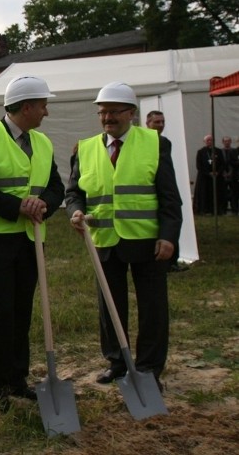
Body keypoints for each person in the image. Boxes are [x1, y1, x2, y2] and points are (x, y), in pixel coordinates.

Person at [66, 81, 182, 391]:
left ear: (131, 113)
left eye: (114, 112)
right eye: (102, 112)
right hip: (104, 241)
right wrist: (75, 212)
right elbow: (74, 192)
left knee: (153, 306)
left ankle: (148, 368)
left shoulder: (156, 144)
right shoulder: (85, 148)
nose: (107, 118)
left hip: (147, 241)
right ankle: (117, 361)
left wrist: (169, 236)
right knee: (110, 306)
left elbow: (170, 197)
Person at [0, 75, 65, 413]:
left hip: (29, 241)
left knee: (22, 311)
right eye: (42, 105)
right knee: (1, 312)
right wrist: (18, 206)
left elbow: (55, 187)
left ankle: (17, 379)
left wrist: (44, 204)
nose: (46, 112)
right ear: (26, 107)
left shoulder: (43, 143)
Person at [145, 110, 188, 272]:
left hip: (167, 192)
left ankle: (171, 261)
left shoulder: (164, 142)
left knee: (170, 226)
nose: (161, 125)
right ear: (148, 123)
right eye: (157, 122)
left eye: (163, 122)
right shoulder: (147, 143)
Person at [193, 134, 225, 215]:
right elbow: (199, 166)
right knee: (204, 194)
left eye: (211, 140)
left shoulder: (218, 151)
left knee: (217, 194)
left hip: (217, 177)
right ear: (205, 142)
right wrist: (208, 173)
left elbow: (222, 164)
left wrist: (218, 172)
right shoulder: (201, 152)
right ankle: (203, 210)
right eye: (208, 140)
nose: (210, 142)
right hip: (204, 178)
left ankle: (217, 210)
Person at [221, 136, 238, 215]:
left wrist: (231, 172)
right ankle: (223, 209)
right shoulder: (220, 151)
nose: (227, 142)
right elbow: (220, 163)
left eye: (228, 141)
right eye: (225, 141)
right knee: (223, 192)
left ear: (230, 142)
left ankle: (234, 209)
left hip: (233, 175)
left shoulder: (234, 151)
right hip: (222, 174)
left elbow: (233, 162)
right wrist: (223, 172)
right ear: (223, 142)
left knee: (234, 193)